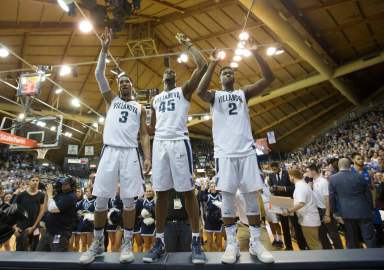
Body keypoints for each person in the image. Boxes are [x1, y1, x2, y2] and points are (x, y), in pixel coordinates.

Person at [196, 46, 275, 264]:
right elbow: (200, 92)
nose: (228, 73)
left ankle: (255, 243)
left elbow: (269, 77)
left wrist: (256, 52)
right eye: (224, 72)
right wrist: (212, 63)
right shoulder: (215, 96)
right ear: (220, 78)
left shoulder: (244, 92)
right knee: (228, 200)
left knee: (251, 198)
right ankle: (232, 244)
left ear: (235, 76)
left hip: (246, 151)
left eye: (231, 72)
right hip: (225, 153)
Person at [80, 27, 151, 264]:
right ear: (118, 87)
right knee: (100, 199)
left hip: (131, 153)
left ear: (133, 85)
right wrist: (104, 49)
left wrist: (147, 156)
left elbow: (144, 135)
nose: (124, 84)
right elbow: (99, 74)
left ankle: (127, 243)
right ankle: (98, 243)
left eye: (127, 81)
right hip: (109, 151)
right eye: (121, 82)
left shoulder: (140, 107)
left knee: (130, 201)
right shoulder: (112, 99)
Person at [144, 33, 207, 264]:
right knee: (161, 192)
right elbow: (150, 129)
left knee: (187, 191)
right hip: (159, 143)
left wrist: (188, 44)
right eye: (167, 72)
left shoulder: (183, 91)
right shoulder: (155, 100)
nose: (170, 72)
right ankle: (159, 241)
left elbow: (203, 65)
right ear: (162, 78)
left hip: (179, 141)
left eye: (173, 72)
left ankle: (196, 241)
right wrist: (141, 123)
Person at [329, 158, 376, 248]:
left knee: (351, 238)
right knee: (369, 237)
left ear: (339, 166)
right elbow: (368, 194)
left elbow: (332, 197)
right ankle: (376, 260)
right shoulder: (359, 176)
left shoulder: (333, 179)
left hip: (346, 212)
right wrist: (371, 208)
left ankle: (354, 260)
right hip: (363, 210)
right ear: (350, 165)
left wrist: (334, 212)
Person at [268, 162, 307, 250]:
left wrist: (284, 188)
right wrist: (271, 189)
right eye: (272, 170)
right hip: (279, 202)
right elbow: (271, 188)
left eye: (275, 169)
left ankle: (302, 246)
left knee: (296, 225)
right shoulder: (271, 176)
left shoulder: (287, 173)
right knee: (284, 227)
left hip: (290, 201)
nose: (274, 171)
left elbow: (294, 187)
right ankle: (289, 247)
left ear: (278, 167)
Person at [282, 168, 322, 250]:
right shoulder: (302, 185)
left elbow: (301, 203)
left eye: (289, 176)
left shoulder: (300, 187)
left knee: (314, 244)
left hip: (309, 220)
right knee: (313, 243)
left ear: (292, 176)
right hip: (308, 219)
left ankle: (321, 262)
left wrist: (288, 211)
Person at [307, 164, 343, 249]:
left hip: (325, 210)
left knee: (333, 233)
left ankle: (340, 252)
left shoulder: (323, 182)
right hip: (317, 211)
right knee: (322, 234)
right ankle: (328, 252)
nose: (306, 173)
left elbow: (327, 199)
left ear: (313, 171)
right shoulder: (312, 182)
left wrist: (327, 214)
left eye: (308, 171)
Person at [37, 176, 77, 252]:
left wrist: (49, 194)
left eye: (65, 184)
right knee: (39, 255)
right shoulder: (59, 195)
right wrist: (47, 194)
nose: (62, 185)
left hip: (59, 234)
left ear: (71, 185)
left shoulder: (71, 197)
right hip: (48, 232)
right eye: (62, 183)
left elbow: (53, 209)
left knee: (57, 258)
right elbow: (46, 208)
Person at [14, 175, 45, 251]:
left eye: (37, 180)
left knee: (34, 249)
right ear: (29, 182)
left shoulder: (41, 195)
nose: (35, 182)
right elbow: (14, 211)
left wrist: (34, 226)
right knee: (20, 249)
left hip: (35, 226)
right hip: (21, 226)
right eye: (33, 180)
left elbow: (41, 211)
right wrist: (15, 227)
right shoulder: (21, 195)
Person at [204, 182, 223, 251]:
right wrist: (205, 189)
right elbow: (201, 197)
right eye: (211, 186)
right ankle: (209, 258)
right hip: (209, 220)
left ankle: (219, 259)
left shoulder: (220, 196)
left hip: (218, 221)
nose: (213, 188)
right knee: (209, 243)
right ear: (210, 188)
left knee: (219, 244)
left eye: (214, 186)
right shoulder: (208, 196)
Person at [77, 187, 96, 251]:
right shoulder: (83, 201)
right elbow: (77, 210)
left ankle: (89, 256)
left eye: (87, 191)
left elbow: (97, 213)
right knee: (83, 243)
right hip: (83, 224)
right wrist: (80, 213)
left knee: (90, 244)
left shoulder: (95, 201)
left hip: (91, 224)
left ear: (92, 192)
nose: (86, 193)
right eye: (85, 191)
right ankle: (83, 255)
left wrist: (91, 215)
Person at [140, 185, 155, 252]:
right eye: (147, 191)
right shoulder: (141, 202)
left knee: (154, 245)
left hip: (154, 226)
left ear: (153, 192)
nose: (148, 192)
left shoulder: (156, 202)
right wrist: (143, 215)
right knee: (146, 245)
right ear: (145, 193)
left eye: (150, 191)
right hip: (145, 226)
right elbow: (138, 215)